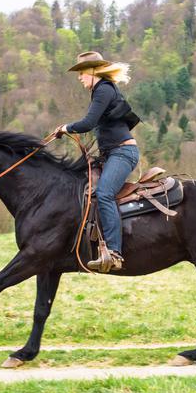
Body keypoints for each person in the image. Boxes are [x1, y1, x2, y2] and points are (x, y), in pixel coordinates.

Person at [55, 51, 140, 272]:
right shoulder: (102, 90)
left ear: (93, 71)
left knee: (104, 193)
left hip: (123, 154)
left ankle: (113, 253)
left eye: (82, 73)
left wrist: (66, 128)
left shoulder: (102, 90)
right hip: (113, 153)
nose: (80, 78)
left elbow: (88, 123)